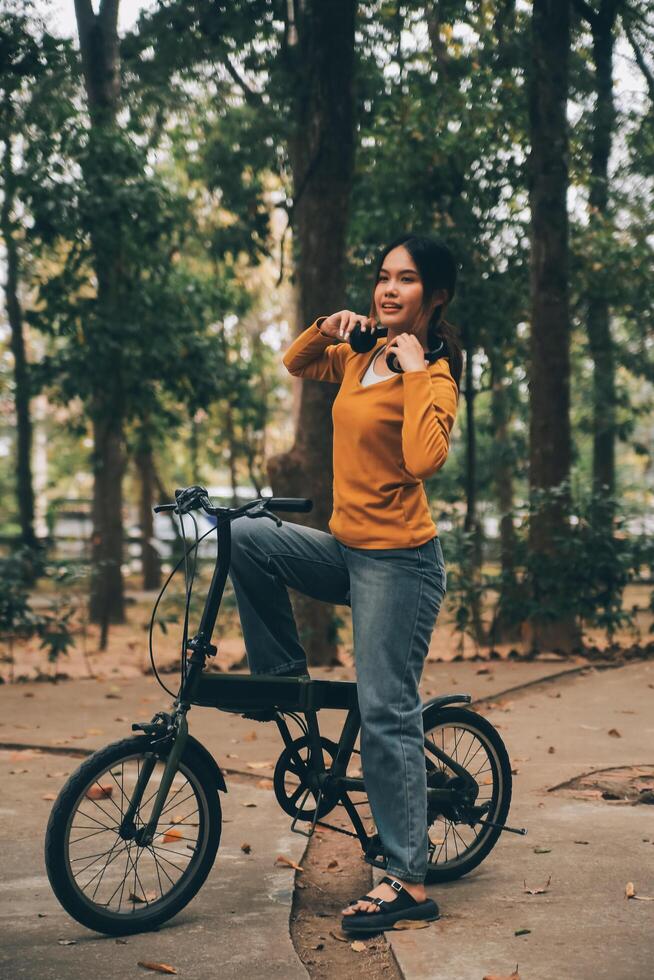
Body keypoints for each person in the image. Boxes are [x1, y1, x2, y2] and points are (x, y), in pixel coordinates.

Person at [228, 233, 462, 932]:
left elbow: (424, 460)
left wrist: (417, 367)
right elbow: (296, 362)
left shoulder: (437, 377)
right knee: (244, 535)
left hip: (401, 564)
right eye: (383, 278)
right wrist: (326, 323)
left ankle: (408, 882)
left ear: (437, 295)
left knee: (386, 709)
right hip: (345, 549)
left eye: (408, 280)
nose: (389, 290)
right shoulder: (359, 353)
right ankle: (279, 676)